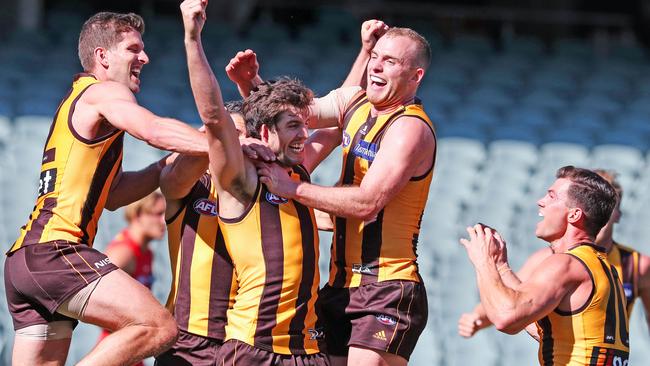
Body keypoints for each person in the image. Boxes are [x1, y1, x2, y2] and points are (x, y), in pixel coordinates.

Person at [4, 11, 210, 366]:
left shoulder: (76, 101)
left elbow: (112, 196)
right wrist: (223, 145)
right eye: (133, 49)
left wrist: (163, 167)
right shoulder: (104, 92)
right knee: (158, 326)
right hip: (57, 251)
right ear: (102, 57)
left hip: (25, 261)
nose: (144, 58)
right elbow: (153, 130)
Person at [253, 25, 435, 366]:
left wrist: (292, 188)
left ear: (415, 75)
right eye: (375, 58)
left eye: (390, 61)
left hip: (386, 289)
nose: (376, 67)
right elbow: (294, 114)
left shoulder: (409, 127)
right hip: (339, 286)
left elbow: (367, 203)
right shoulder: (355, 102)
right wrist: (252, 82)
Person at [181, 1, 327, 364]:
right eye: (294, 127)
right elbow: (214, 119)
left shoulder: (298, 174)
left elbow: (339, 126)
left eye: (305, 126)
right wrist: (192, 38)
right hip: (254, 350)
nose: (305, 136)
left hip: (307, 352)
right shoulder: (243, 179)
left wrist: (367, 51)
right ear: (266, 132)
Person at [459, 166, 629, 365]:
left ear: (574, 215)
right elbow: (549, 332)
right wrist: (500, 266)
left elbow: (506, 318)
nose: (541, 202)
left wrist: (483, 262)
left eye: (552, 196)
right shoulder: (603, 266)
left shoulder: (566, 264)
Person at [96, 191, 166, 366]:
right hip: (115, 352)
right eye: (158, 214)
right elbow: (94, 300)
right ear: (138, 214)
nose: (164, 221)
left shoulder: (146, 253)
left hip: (132, 353)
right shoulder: (124, 253)